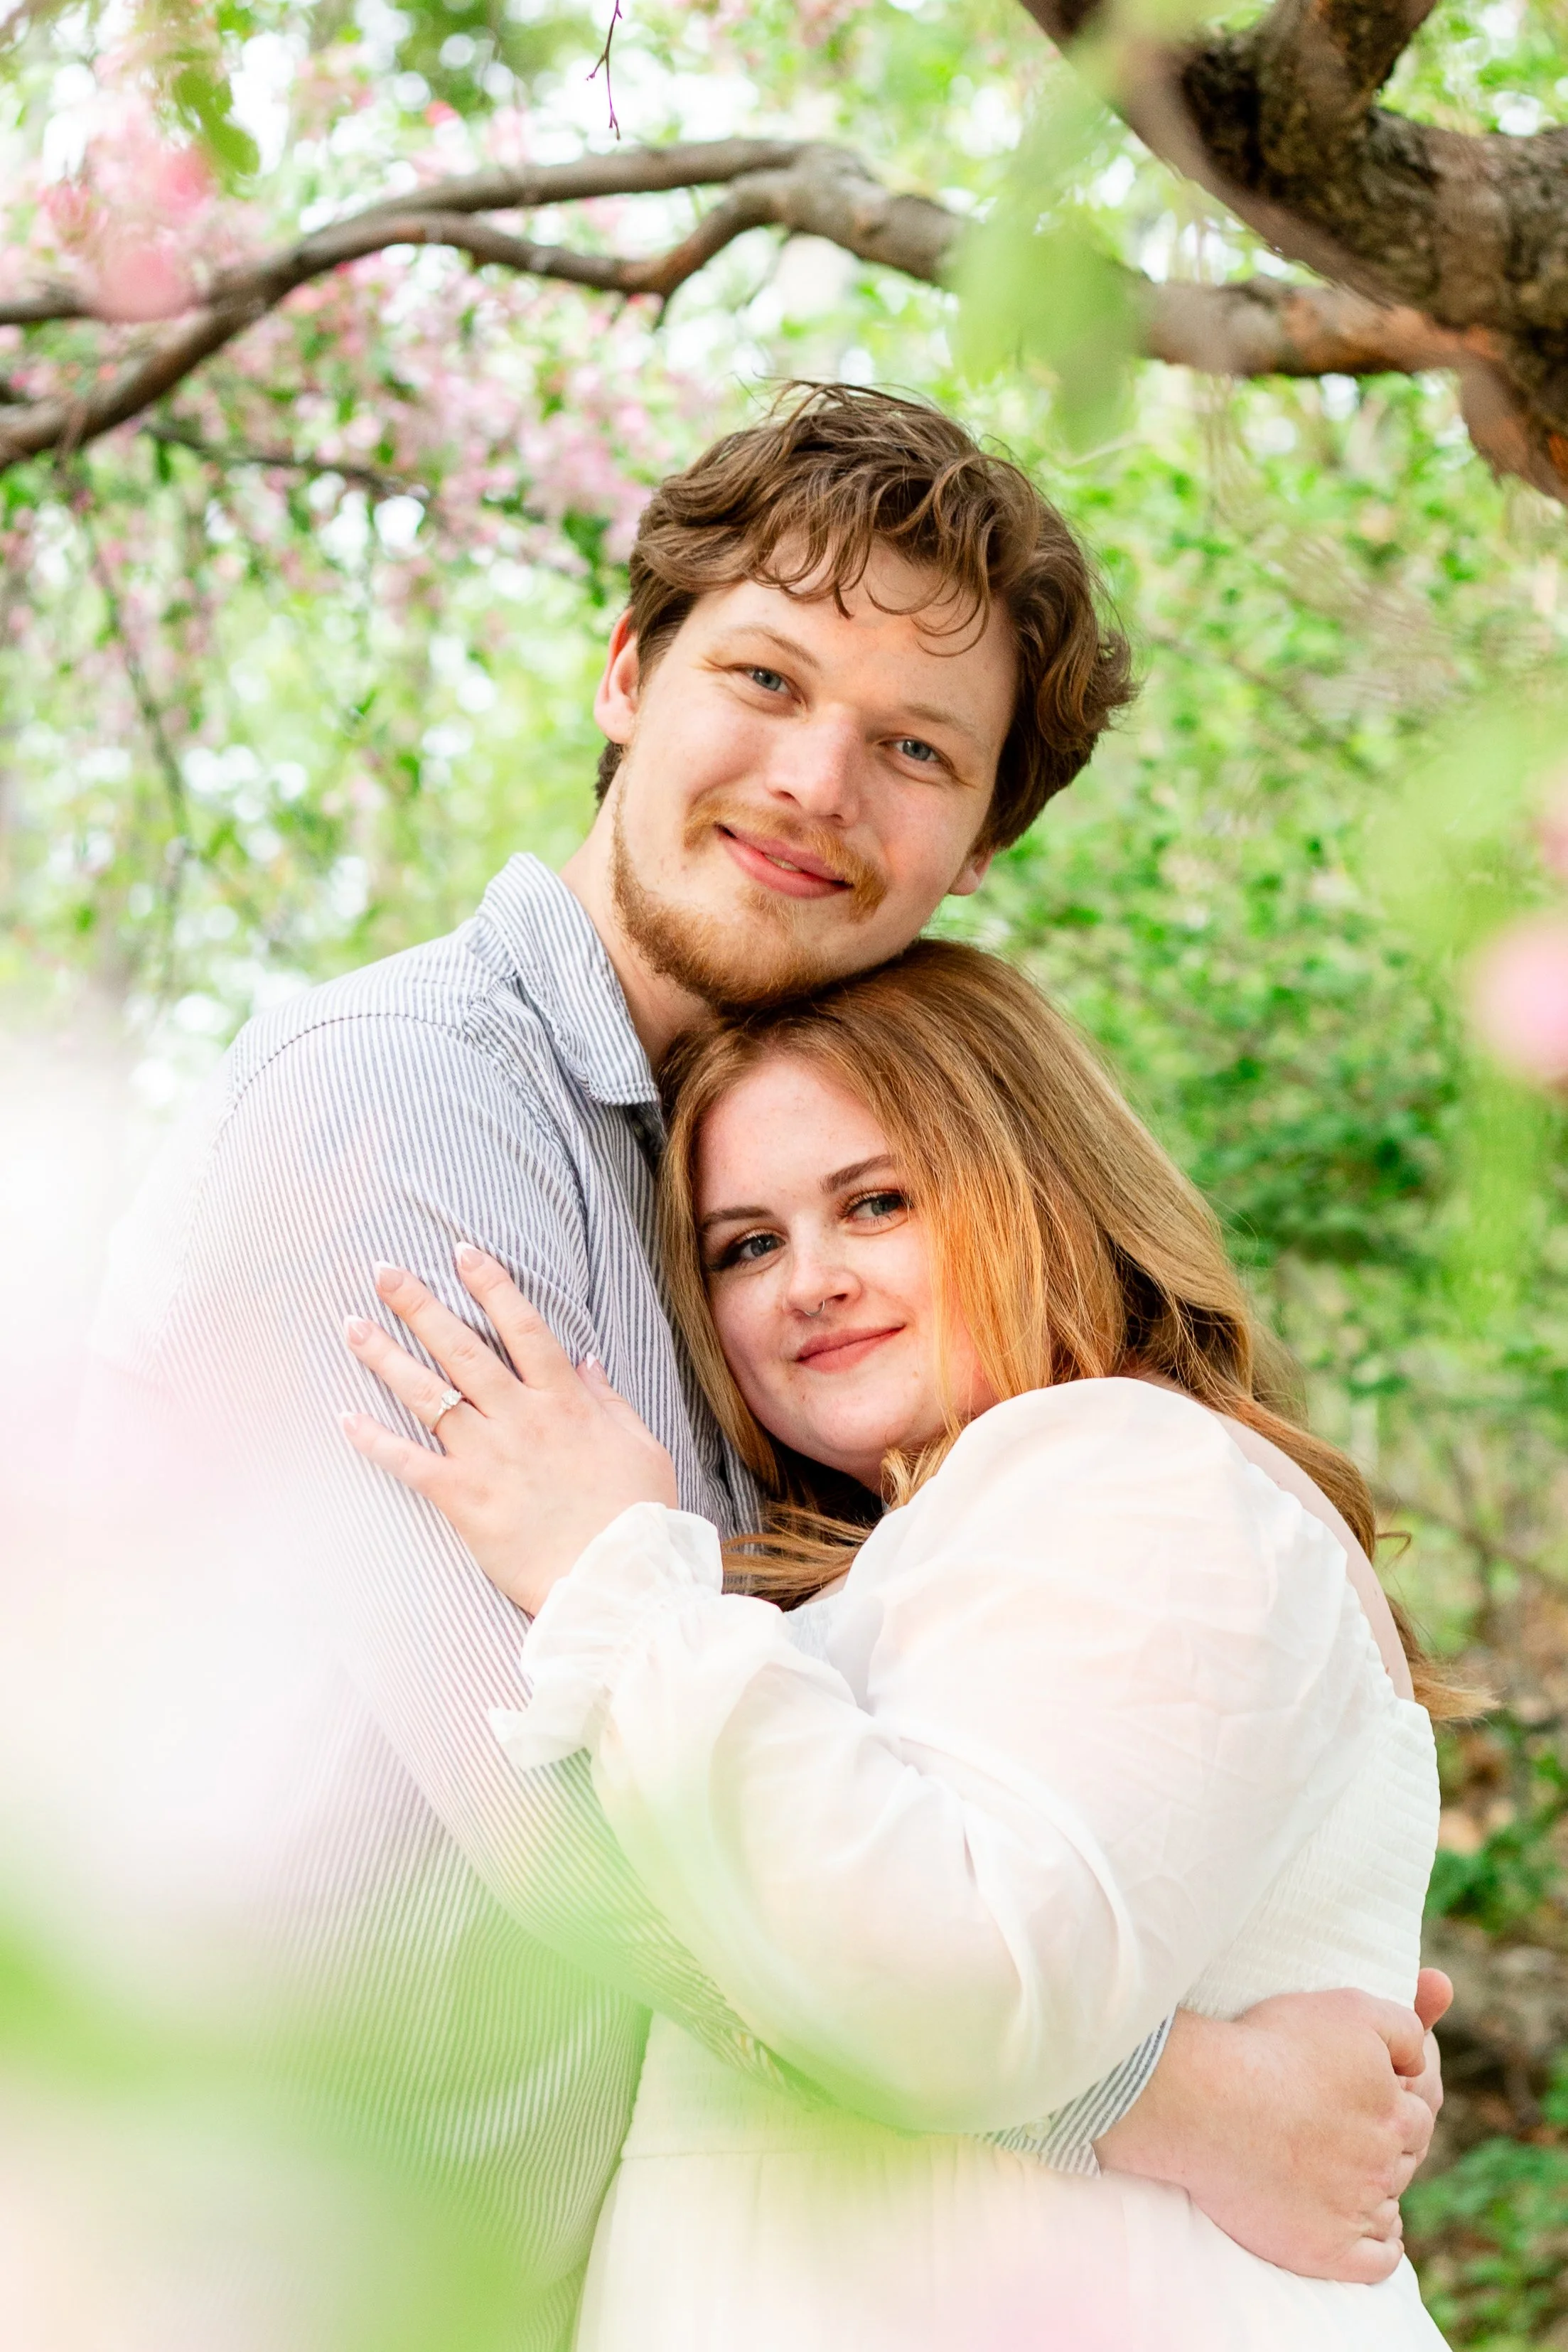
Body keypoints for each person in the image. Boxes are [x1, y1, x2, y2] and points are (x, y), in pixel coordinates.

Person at [85, 385, 1446, 2349]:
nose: (817, 779)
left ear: (974, 849)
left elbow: (834, 1761)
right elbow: (553, 1807)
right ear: (628, 669)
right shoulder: (404, 1103)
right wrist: (1156, 2090)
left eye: (911, 748)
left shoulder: (742, 1232)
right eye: (765, 676)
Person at [342, 938, 1455, 2350]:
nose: (807, 1281)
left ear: (1039, 1181)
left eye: (874, 1203)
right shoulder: (945, 1547)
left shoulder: (1135, 1467)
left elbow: (958, 1985)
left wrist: (616, 1581)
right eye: (745, 1245)